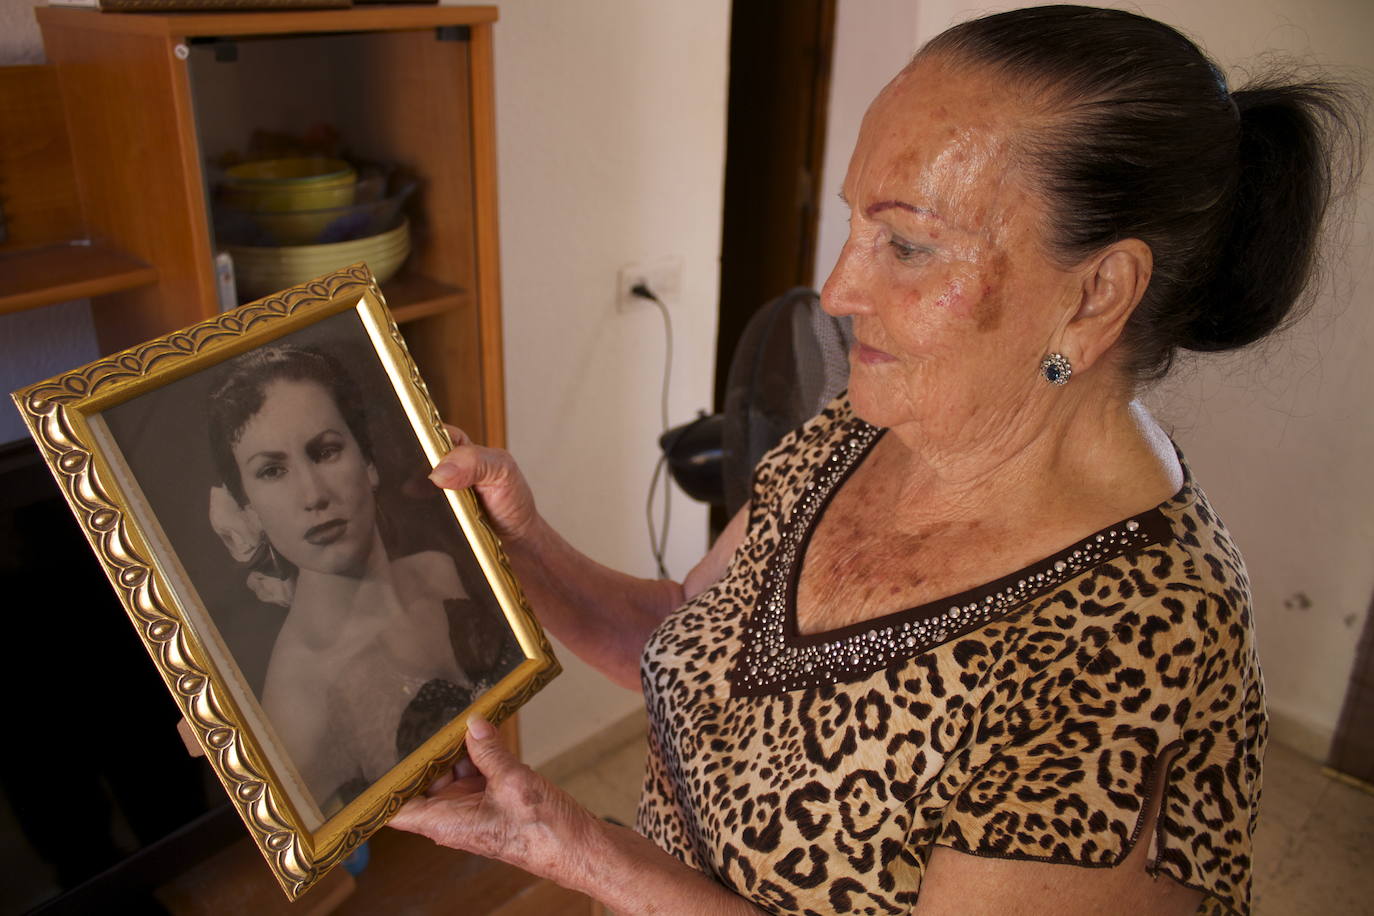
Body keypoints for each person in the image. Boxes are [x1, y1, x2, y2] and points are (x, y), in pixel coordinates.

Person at [390, 6, 1364, 914]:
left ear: (1098, 291)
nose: (839, 287)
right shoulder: (857, 432)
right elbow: (691, 648)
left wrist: (573, 849)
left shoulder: (1136, 641)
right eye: (858, 221)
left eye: (907, 244)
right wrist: (520, 548)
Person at [206, 344, 476, 815]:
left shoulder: (438, 569)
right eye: (272, 471)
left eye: (326, 451)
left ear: (368, 462)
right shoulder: (299, 707)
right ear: (248, 507)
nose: (313, 495)